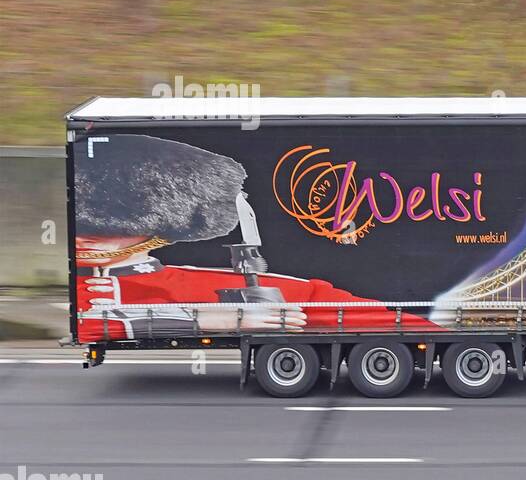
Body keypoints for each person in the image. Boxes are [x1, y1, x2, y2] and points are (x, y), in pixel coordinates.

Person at [74, 134, 437, 342]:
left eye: (111, 227)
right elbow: (91, 327)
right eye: (85, 225)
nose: (88, 238)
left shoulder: (214, 286)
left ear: (158, 228)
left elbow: (375, 321)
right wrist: (207, 320)